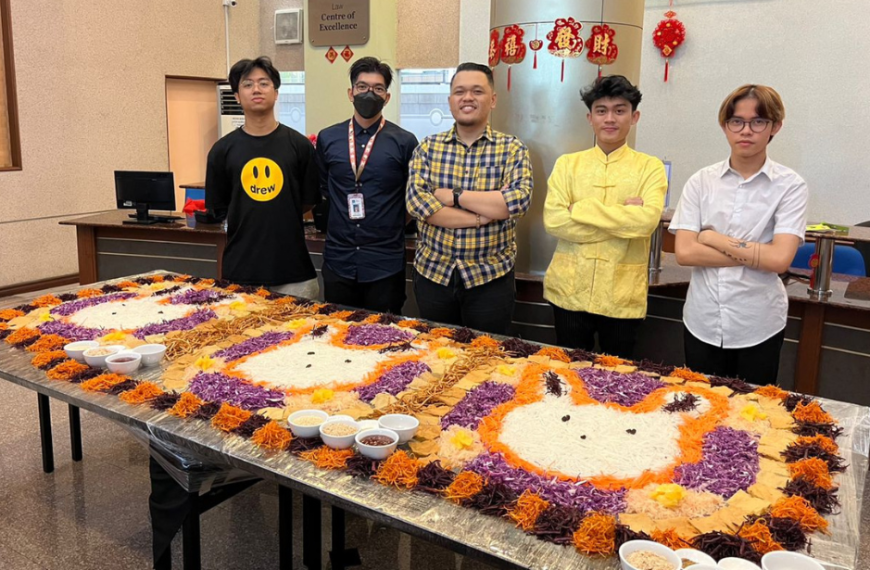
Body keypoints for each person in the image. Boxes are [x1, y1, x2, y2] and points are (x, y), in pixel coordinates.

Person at [669, 85, 808, 384]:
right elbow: (685, 253)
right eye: (737, 121)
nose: (746, 130)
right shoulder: (700, 181)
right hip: (702, 320)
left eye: (758, 122)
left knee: (753, 414)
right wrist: (759, 254)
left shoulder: (790, 185)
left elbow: (780, 260)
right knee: (700, 411)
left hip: (758, 323)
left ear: (775, 127)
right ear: (725, 126)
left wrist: (712, 238)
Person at [543, 75, 668, 358]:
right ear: (590, 118)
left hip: (621, 293)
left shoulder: (650, 167)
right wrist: (625, 219)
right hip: (569, 290)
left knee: (618, 377)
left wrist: (582, 210)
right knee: (567, 373)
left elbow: (646, 222)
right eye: (602, 110)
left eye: (619, 110)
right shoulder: (568, 164)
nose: (610, 118)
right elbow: (554, 221)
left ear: (634, 116)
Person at [406, 62, 532, 335]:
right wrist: (480, 216)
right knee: (435, 355)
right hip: (433, 275)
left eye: (478, 91)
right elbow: (419, 204)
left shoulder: (511, 149)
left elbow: (516, 202)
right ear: (450, 100)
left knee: (488, 356)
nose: (468, 98)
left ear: (493, 99)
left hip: (491, 278)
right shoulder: (427, 147)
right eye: (460, 91)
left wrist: (455, 196)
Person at [205, 56, 320, 298]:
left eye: (264, 83)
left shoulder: (300, 145)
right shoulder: (222, 150)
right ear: (236, 96)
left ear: (276, 93)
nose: (256, 89)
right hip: (240, 273)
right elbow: (219, 207)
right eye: (247, 84)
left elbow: (307, 202)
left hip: (294, 273)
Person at [316, 57, 418, 314]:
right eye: (362, 87)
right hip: (339, 260)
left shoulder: (404, 142)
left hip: (385, 263)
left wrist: (389, 223)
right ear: (351, 93)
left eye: (378, 88)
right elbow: (324, 190)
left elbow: (412, 200)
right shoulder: (328, 138)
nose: (369, 93)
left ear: (387, 97)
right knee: (336, 334)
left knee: (385, 339)